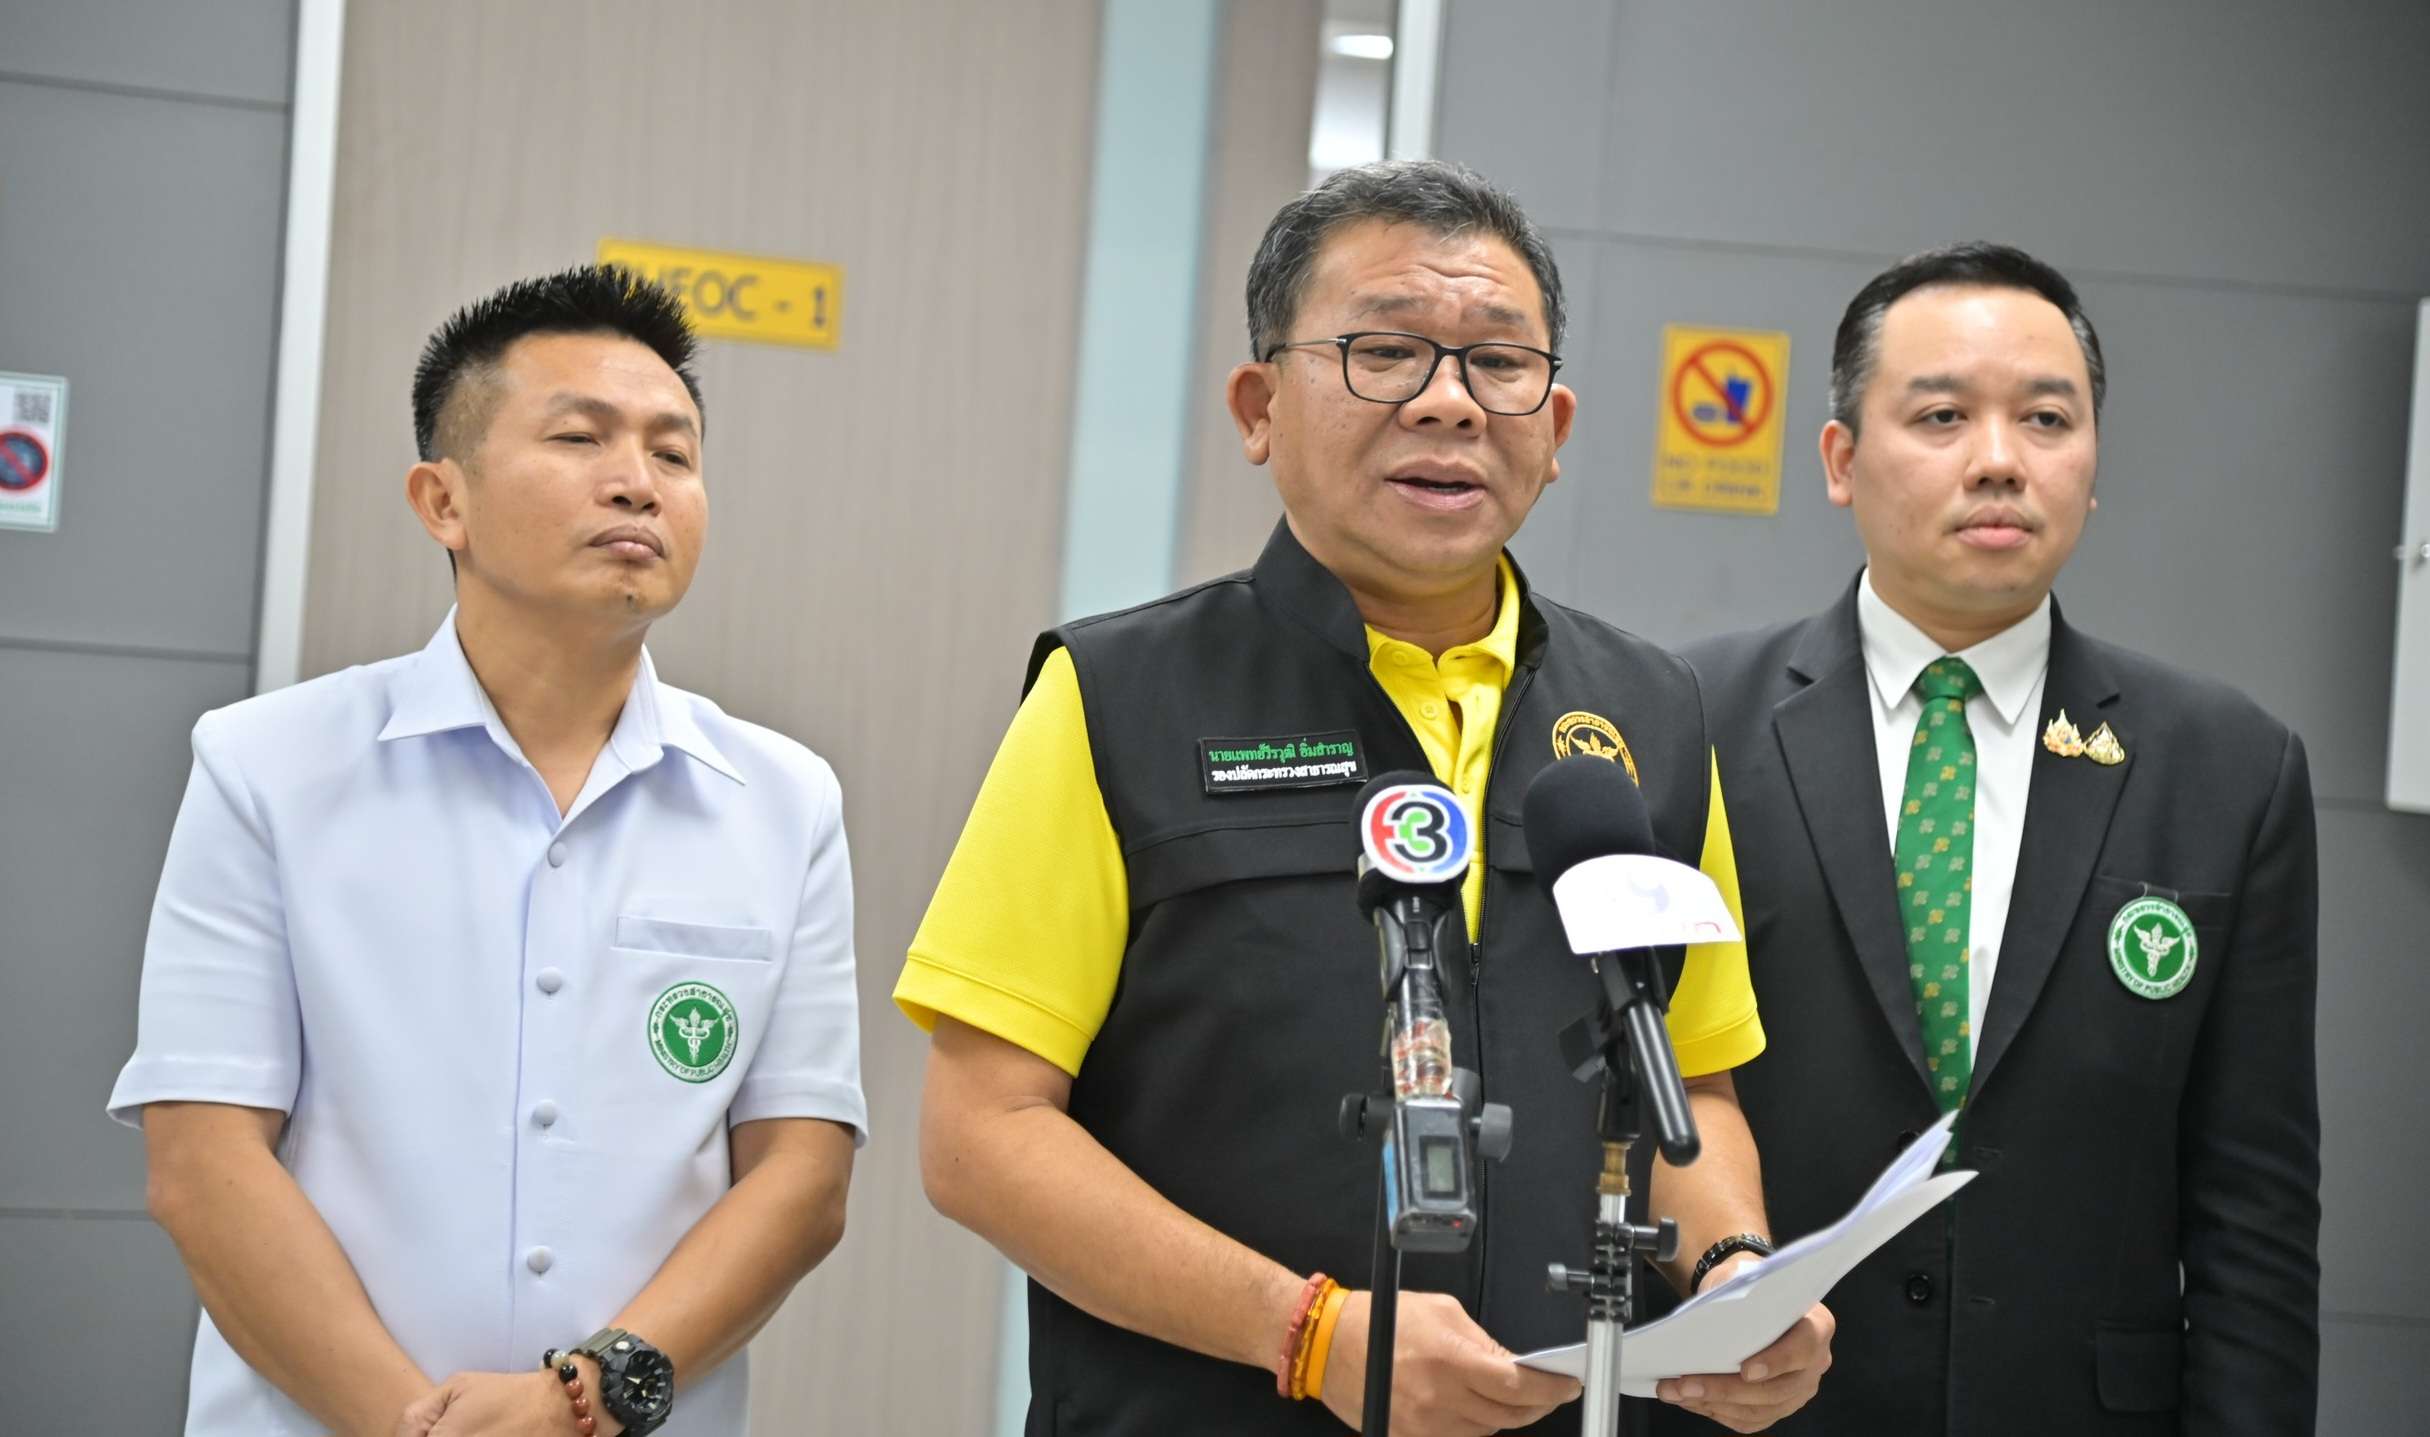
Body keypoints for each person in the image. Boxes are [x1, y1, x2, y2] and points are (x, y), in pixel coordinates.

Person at [898, 160, 1832, 1436]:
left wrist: (1733, 1273)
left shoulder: (1647, 716)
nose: (1450, 402)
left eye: (1498, 363)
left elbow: (1693, 1088)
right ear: (1259, 406)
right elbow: (982, 1133)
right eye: (1385, 352)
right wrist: (1308, 1335)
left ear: (1555, 427)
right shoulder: (1118, 696)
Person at [109, 265, 866, 1436]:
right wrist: (419, 1427)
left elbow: (801, 1176)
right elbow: (205, 1166)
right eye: (580, 437)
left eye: (674, 453)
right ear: (442, 502)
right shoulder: (267, 768)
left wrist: (587, 1399)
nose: (638, 481)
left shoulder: (782, 801)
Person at [1675, 242, 2320, 1433]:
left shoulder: (2229, 767)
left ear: (2093, 464)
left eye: (2046, 419)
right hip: (1754, 1411)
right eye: (1941, 416)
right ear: (1840, 460)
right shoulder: (1688, 724)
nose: (1999, 461)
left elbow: (2257, 1203)